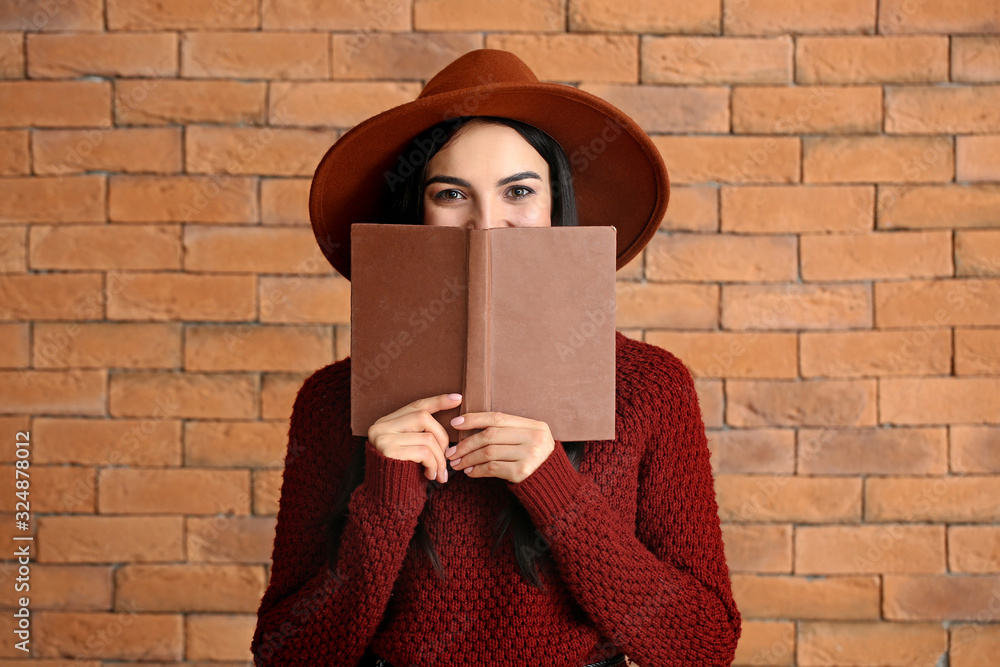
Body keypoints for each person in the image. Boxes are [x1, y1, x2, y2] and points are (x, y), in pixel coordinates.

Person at [251, 49, 741, 667]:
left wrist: (555, 487)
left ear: (556, 208)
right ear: (416, 215)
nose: (487, 224)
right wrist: (387, 499)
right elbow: (285, 654)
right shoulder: (332, 400)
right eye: (452, 193)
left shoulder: (649, 387)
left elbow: (702, 645)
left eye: (518, 191)